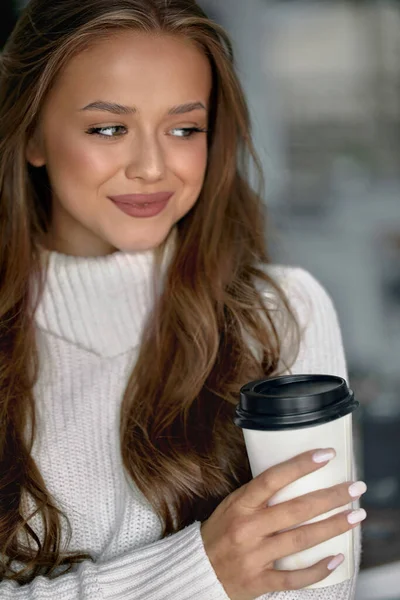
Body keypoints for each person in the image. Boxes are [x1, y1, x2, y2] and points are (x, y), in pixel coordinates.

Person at [0, 0, 366, 598]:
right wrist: (202, 573)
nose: (152, 166)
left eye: (184, 129)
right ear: (34, 134)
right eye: (108, 128)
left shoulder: (278, 314)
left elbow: (318, 583)